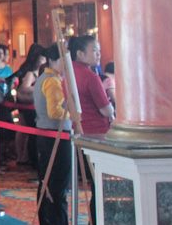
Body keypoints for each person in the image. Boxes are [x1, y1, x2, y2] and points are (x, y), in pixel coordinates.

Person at [69, 35, 112, 220]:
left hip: (80, 133)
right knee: (101, 186)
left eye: (99, 50)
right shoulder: (90, 77)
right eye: (94, 50)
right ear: (80, 53)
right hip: (98, 135)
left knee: (95, 185)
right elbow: (106, 109)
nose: (98, 54)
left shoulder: (69, 75)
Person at [34, 45, 72, 225]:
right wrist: (74, 113)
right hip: (56, 136)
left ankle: (48, 219)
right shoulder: (52, 81)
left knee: (47, 182)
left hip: (46, 135)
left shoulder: (44, 77)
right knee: (57, 184)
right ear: (53, 60)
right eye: (64, 60)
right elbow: (55, 111)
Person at [14, 44, 47, 167]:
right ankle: (25, 156)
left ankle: (24, 156)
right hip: (27, 105)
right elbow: (24, 88)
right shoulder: (31, 73)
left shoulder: (34, 71)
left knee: (24, 130)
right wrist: (40, 88)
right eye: (43, 58)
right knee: (28, 131)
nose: (44, 61)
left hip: (28, 104)